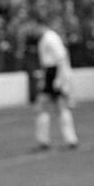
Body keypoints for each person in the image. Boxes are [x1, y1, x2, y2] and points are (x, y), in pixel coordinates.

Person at [34, 16, 79, 150]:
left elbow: (61, 57)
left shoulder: (49, 38)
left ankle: (46, 140)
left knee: (47, 106)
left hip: (54, 73)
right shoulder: (47, 38)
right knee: (57, 106)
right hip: (52, 73)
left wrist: (59, 79)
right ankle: (69, 139)